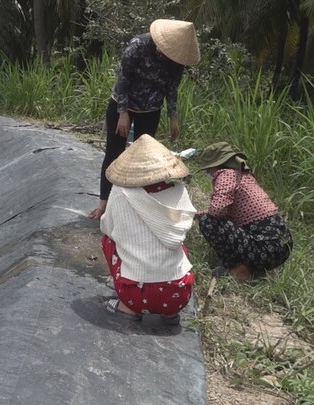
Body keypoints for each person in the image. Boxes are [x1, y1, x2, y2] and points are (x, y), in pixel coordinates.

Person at [89, 19, 201, 220]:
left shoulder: (177, 59)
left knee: (144, 159)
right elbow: (123, 80)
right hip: (123, 104)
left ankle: (136, 207)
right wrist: (123, 113)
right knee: (114, 153)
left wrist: (173, 116)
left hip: (151, 109)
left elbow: (171, 88)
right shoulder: (138, 46)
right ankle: (103, 204)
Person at [99, 135, 196, 325]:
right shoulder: (179, 191)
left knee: (108, 240)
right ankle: (168, 315)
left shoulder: (121, 191)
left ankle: (128, 308)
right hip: (178, 294)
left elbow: (107, 227)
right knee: (182, 248)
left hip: (136, 293)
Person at [194, 142, 293, 281]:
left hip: (264, 247)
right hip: (282, 244)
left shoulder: (225, 174)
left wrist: (203, 215)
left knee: (208, 222)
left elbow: (216, 211)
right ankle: (259, 267)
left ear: (215, 166)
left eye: (208, 170)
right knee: (208, 218)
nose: (208, 173)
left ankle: (238, 268)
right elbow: (230, 210)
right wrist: (199, 213)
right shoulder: (244, 176)